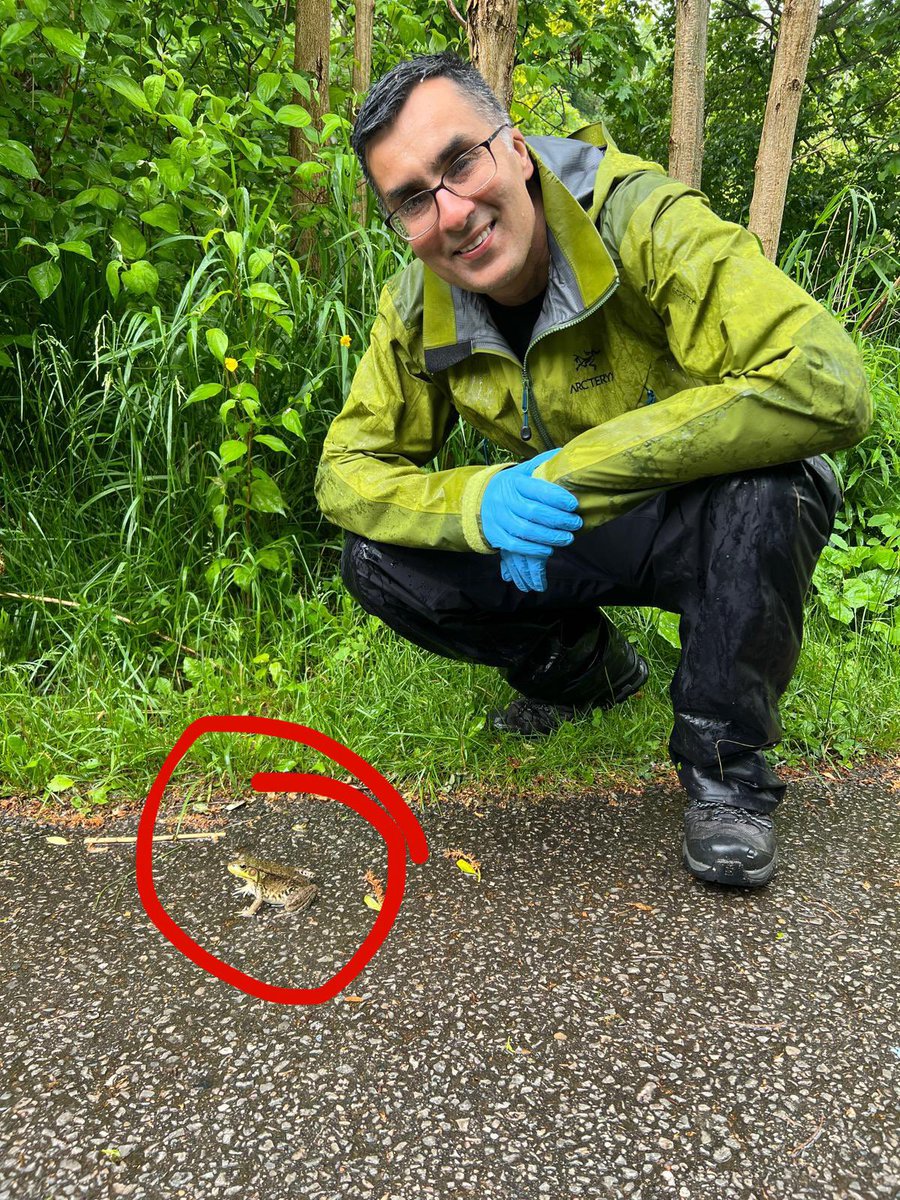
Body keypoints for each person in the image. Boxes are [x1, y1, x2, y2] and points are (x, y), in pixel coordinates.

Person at [315, 52, 871, 888]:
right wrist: (477, 502)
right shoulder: (415, 305)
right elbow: (346, 471)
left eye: (460, 162)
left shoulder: (642, 218)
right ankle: (588, 678)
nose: (453, 213)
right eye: (413, 200)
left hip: (704, 515)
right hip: (567, 533)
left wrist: (571, 471)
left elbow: (826, 380)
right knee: (379, 561)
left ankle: (725, 772)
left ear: (517, 148)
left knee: (774, 486)